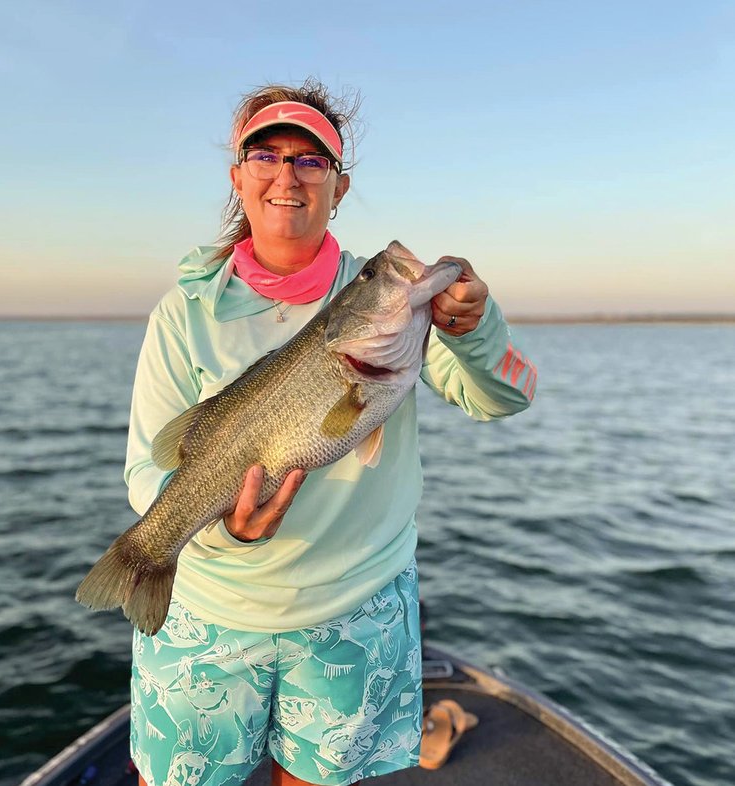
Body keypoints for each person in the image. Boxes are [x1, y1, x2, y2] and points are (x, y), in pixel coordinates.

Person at [126, 79, 536, 786]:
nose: (287, 175)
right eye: (266, 155)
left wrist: (473, 326)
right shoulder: (183, 313)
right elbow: (146, 473)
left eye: (310, 161)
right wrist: (226, 532)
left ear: (339, 187)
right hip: (211, 610)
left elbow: (504, 397)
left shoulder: (404, 316)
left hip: (356, 610)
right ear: (238, 178)